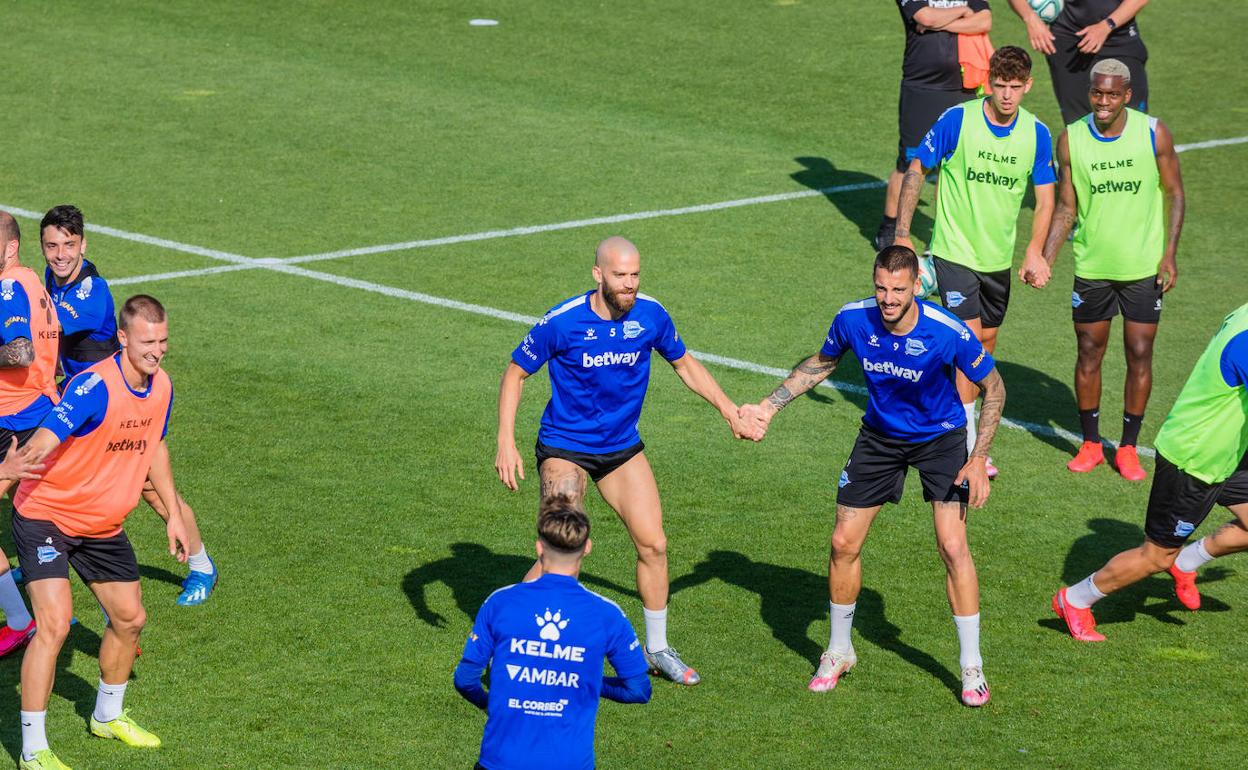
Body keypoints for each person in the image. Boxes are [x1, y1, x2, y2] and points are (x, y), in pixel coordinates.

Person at [738, 245, 1006, 707]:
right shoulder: (852, 319)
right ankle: (839, 650)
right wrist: (768, 405)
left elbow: (994, 388)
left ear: (917, 286)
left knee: (953, 545)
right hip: (880, 438)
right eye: (881, 287)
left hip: (941, 440)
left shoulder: (947, 332)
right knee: (843, 542)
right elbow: (820, 364)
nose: (887, 298)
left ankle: (971, 664)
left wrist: (978, 457)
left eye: (898, 290)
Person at [496, 236, 754, 686]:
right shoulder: (563, 322)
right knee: (563, 546)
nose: (630, 284)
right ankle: (508, 640)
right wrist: (505, 441)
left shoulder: (651, 315)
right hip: (565, 447)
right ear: (598, 274)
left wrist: (729, 409)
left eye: (635, 275)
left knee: (654, 544)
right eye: (620, 276)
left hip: (620, 448)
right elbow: (516, 372)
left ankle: (657, 648)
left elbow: (685, 364)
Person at [13, 294, 190, 770]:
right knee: (53, 625)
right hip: (46, 515)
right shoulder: (93, 387)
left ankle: (106, 716)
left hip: (101, 526)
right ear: (123, 338)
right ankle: (33, 750)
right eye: (148, 341)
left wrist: (172, 512)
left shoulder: (162, 387)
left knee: (130, 619)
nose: (158, 350)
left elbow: (156, 448)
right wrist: (12, 466)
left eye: (164, 340)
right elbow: (50, 435)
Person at [40, 205, 217, 605]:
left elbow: (45, 333)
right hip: (86, 408)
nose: (61, 254)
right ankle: (44, 553)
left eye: (69, 245)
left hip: (121, 409)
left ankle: (202, 566)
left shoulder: (92, 293)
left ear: (84, 245)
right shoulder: (54, 277)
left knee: (156, 493)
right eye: (52, 246)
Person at [894, 45, 1055, 477]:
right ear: (988, 83)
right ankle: (968, 448)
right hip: (954, 253)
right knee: (969, 346)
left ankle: (941, 418)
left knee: (985, 347)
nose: (1006, 95)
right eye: (1000, 86)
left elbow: (1045, 201)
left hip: (996, 261)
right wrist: (903, 235)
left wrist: (1035, 250)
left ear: (1028, 86)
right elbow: (916, 169)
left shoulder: (1036, 134)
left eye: (1015, 87)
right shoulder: (958, 120)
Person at [1053, 302, 1248, 641]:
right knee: (1156, 556)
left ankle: (1186, 562)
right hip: (1194, 459)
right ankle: (1075, 599)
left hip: (1227, 451)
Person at [1037, 59, 1183, 481]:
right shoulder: (1071, 140)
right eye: (1097, 93)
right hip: (1093, 267)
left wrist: (1169, 254)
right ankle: (1089, 443)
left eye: (1111, 95)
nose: (1103, 102)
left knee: (1140, 353)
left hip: (1142, 268)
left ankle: (1129, 448)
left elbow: (1175, 195)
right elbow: (1066, 207)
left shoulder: (1153, 133)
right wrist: (1046, 258)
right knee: (1088, 353)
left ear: (1127, 96)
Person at [454, 499, 651, 770]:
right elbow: (638, 690)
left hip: (500, 761)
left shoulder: (500, 603)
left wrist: (489, 704)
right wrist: (588, 678)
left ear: (539, 548)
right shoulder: (607, 614)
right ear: (588, 548)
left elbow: (465, 679)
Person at [876, 0, 992, 251]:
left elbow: (985, 21)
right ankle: (891, 227)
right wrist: (962, 13)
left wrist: (942, 22)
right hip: (922, 87)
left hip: (962, 88)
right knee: (909, 162)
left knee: (952, 165)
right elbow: (925, 17)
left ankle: (942, 234)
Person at [0, 211, 60, 659]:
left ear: (11, 245)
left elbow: (19, 352)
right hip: (36, 412)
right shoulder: (34, 283)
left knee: (48, 524)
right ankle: (112, 623)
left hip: (13, 422)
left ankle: (22, 621)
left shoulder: (7, 286)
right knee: (54, 521)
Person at [1008, 0, 1151, 125]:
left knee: (1133, 124)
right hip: (1068, 43)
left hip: (1119, 40)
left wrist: (1107, 25)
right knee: (1078, 126)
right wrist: (1030, 18)